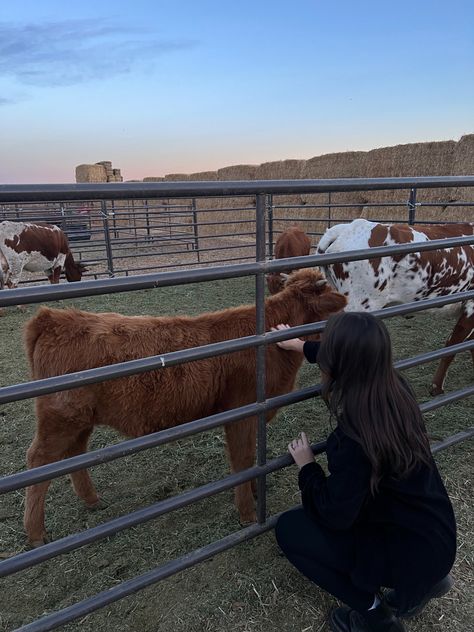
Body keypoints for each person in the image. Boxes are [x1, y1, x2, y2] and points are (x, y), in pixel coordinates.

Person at [272, 313, 456, 632]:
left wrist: (308, 468)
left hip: (411, 555)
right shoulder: (395, 389)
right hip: (437, 540)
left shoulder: (355, 438)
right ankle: (427, 584)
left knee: (290, 529)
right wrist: (302, 346)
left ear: (338, 367)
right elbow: (353, 357)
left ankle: (376, 616)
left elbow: (334, 514)